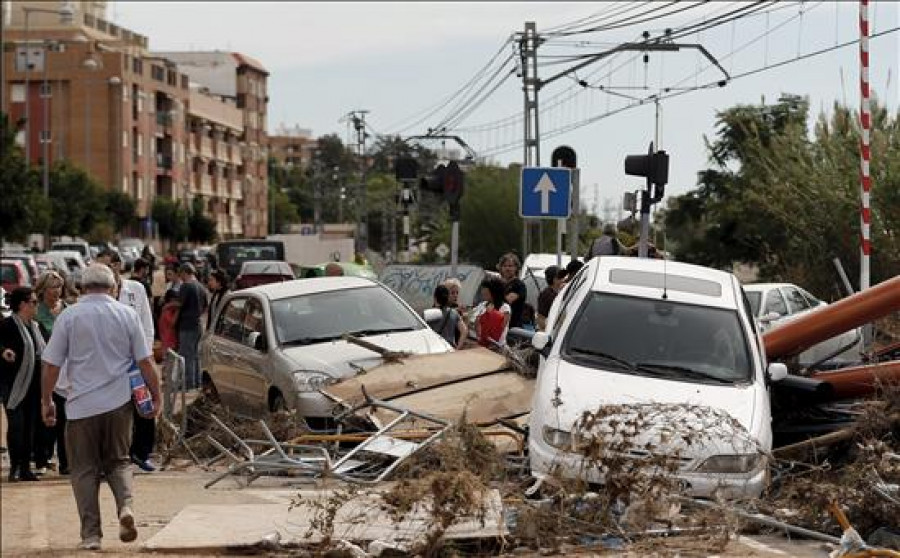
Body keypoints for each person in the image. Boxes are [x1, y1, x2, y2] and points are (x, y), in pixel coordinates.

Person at [41, 263, 161, 551]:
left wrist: (46, 401)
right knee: (119, 461)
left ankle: (91, 535)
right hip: (119, 404)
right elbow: (145, 362)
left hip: (81, 406)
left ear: (82, 287)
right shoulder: (127, 314)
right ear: (113, 287)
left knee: (84, 470)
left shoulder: (69, 317)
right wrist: (156, 396)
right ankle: (125, 508)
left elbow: (51, 365)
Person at [98, 250, 157, 473]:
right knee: (112, 409)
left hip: (137, 360)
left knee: (143, 404)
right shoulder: (97, 294)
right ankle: (113, 455)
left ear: (117, 265)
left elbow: (146, 323)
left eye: (107, 265)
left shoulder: (136, 289)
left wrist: (146, 353)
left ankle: (141, 453)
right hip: (110, 362)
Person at [0, 287, 45, 482]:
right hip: (13, 383)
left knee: (30, 428)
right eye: (33, 302)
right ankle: (15, 467)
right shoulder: (7, 324)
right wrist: (4, 351)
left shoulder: (36, 327)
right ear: (22, 304)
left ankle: (26, 467)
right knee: (16, 426)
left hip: (34, 385)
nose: (36, 306)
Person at [34, 270, 70, 475]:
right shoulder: (37, 312)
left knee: (64, 418)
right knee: (46, 416)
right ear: (42, 290)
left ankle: (65, 461)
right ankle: (42, 456)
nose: (56, 291)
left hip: (65, 370)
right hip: (45, 368)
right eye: (52, 288)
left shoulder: (67, 309)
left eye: (59, 287)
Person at [174, 263, 207, 390]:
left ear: (185, 272)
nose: (180, 276)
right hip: (198, 324)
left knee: (186, 355)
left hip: (186, 325)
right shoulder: (201, 287)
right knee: (195, 355)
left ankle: (188, 383)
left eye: (180, 273)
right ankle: (197, 382)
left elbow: (179, 304)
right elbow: (205, 306)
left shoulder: (186, 286)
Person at [476, 277, 510, 349]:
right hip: (481, 344)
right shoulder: (482, 305)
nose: (482, 291)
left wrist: (491, 313)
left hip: (496, 347)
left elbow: (500, 328)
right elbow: (477, 324)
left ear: (493, 290)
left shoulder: (505, 308)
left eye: (484, 288)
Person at [431, 285, 467, 349]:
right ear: (447, 297)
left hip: (434, 348)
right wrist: (458, 348)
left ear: (435, 298)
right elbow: (464, 331)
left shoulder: (429, 313)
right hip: (449, 348)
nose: (455, 295)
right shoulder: (453, 313)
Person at [497, 253, 528, 329]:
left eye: (510, 266)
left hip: (513, 327)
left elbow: (506, 302)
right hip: (498, 325)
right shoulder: (498, 284)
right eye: (504, 266)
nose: (507, 268)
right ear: (500, 268)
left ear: (516, 268)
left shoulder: (519, 285)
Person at [536, 265, 567, 332]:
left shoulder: (557, 292)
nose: (564, 279)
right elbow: (541, 319)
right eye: (561, 277)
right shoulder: (547, 294)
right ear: (554, 279)